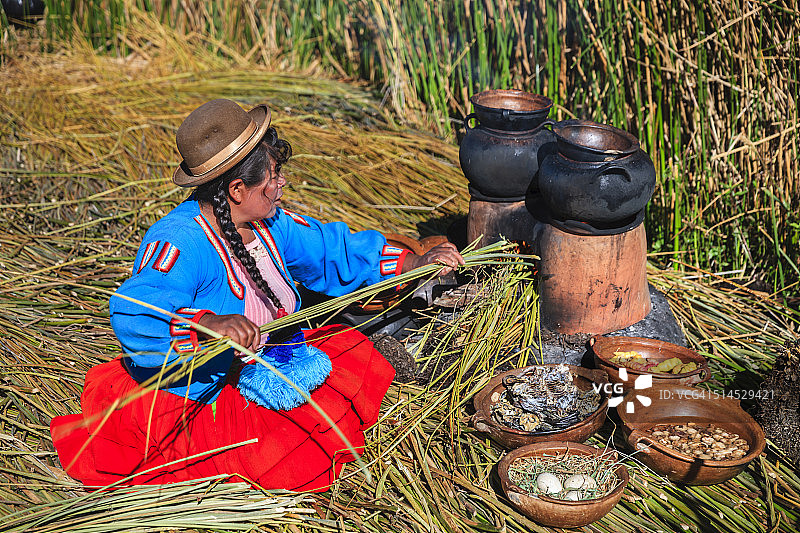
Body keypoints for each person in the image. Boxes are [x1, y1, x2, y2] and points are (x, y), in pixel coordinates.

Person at [50, 99, 464, 491]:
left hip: (275, 363)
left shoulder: (270, 222)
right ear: (236, 190)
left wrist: (409, 264)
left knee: (349, 349)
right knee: (289, 456)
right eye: (272, 177)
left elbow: (327, 248)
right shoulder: (180, 241)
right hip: (208, 394)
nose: (281, 185)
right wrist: (207, 324)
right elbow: (136, 312)